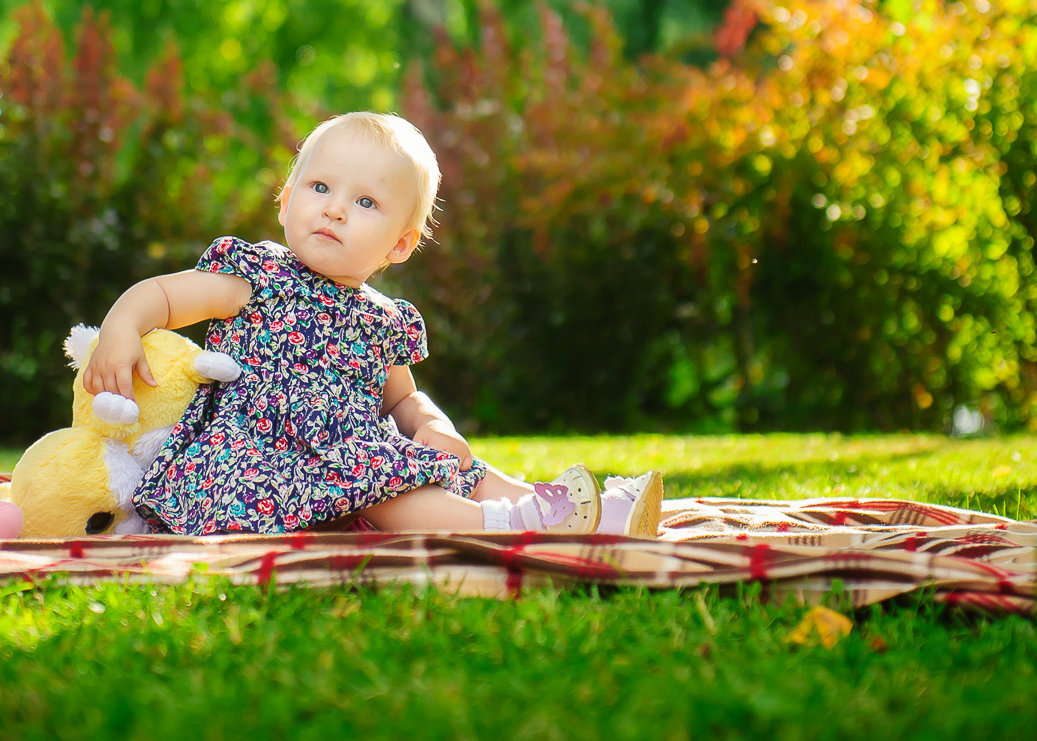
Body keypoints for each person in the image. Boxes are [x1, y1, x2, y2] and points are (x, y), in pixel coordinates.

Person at [83, 110, 663, 537]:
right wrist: (120, 329)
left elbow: (402, 400)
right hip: (266, 457)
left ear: (402, 244)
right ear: (285, 202)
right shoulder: (259, 278)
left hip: (355, 445)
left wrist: (433, 423)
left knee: (452, 463)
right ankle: (507, 525)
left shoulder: (381, 320)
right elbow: (163, 296)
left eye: (366, 203)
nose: (335, 207)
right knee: (385, 487)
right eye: (320, 188)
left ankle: (571, 510)